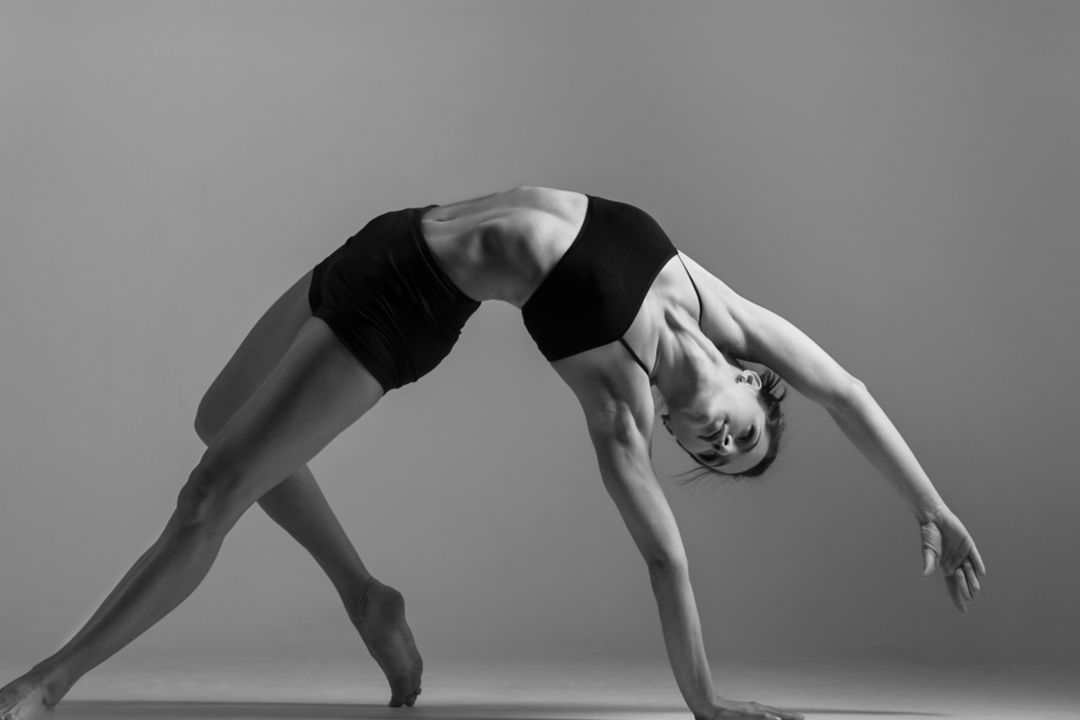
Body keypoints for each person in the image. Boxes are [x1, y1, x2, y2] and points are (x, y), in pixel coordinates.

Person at [0, 186, 986, 720]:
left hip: (408, 307)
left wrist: (705, 703)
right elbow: (849, 392)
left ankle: (48, 683)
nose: (717, 441)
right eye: (742, 432)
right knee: (221, 419)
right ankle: (364, 592)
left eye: (715, 457)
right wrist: (931, 505)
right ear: (753, 381)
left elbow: (665, 559)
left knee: (210, 493)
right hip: (385, 239)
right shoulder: (718, 305)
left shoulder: (622, 404)